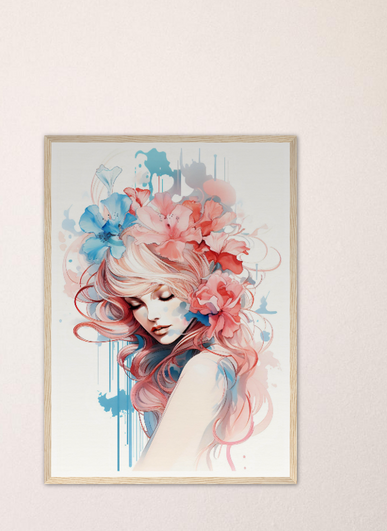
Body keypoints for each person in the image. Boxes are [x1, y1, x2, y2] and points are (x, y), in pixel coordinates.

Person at [66, 173, 274, 472]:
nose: (149, 315)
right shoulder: (214, 361)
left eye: (163, 295)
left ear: (197, 287)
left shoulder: (204, 369)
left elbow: (150, 476)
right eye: (136, 303)